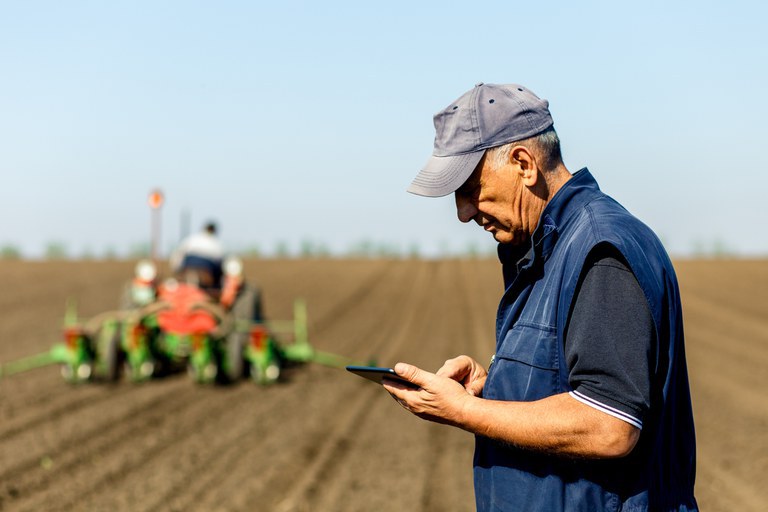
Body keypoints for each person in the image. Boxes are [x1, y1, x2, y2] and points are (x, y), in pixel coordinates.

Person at [384, 83, 697, 511]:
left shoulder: (598, 250)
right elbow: (564, 380)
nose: (463, 212)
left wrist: (463, 412)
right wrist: (493, 385)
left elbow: (609, 424)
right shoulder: (547, 249)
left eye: (469, 188)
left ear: (523, 164)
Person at [169, 221, 225, 291]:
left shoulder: (192, 239)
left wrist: (176, 269)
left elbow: (178, 254)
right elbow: (220, 264)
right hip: (206, 269)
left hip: (188, 267)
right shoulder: (216, 244)